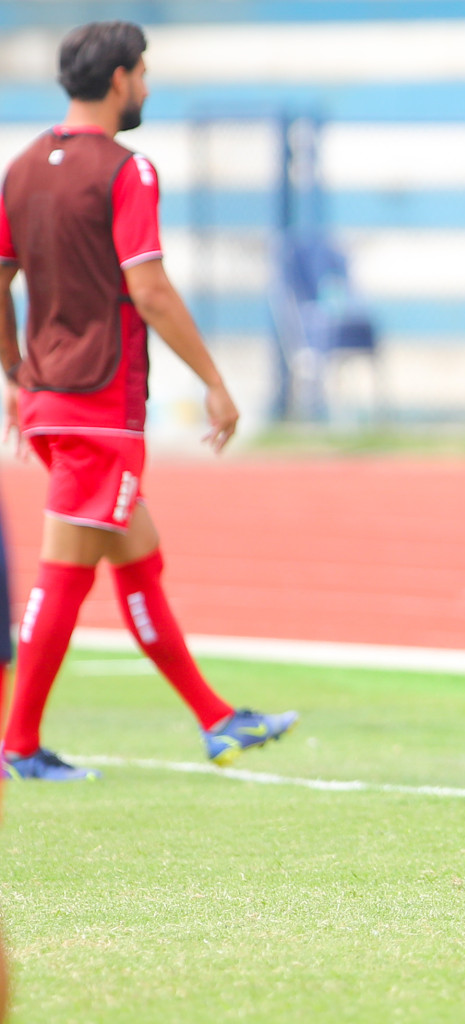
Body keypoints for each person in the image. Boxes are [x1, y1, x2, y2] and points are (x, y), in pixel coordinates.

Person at [0, 21, 298, 781]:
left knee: (137, 555)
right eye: (144, 73)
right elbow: (151, 289)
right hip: (101, 403)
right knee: (62, 574)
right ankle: (18, 745)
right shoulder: (128, 172)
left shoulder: (23, 167)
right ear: (121, 78)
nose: (149, 86)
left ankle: (217, 720)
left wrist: (15, 374)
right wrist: (215, 382)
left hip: (51, 398)